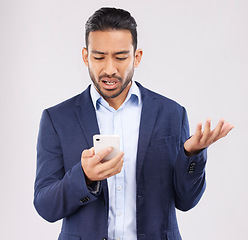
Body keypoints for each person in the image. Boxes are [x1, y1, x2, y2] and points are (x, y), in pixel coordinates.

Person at [34, 7, 234, 240]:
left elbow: (186, 201)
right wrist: (84, 177)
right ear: (85, 56)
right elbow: (45, 206)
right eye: (98, 57)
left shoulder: (171, 113)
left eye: (120, 57)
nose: (109, 69)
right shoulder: (57, 119)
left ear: (137, 57)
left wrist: (192, 153)